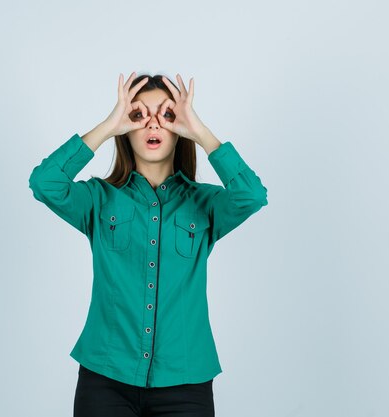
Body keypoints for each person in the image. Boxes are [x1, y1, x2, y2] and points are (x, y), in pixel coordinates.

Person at [28, 72, 268, 417]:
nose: (153, 124)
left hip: (186, 383)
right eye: (139, 115)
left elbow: (252, 196)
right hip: (106, 379)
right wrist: (109, 126)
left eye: (168, 115)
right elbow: (44, 183)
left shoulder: (205, 204)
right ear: (127, 129)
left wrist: (200, 131)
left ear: (179, 129)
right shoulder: (98, 200)